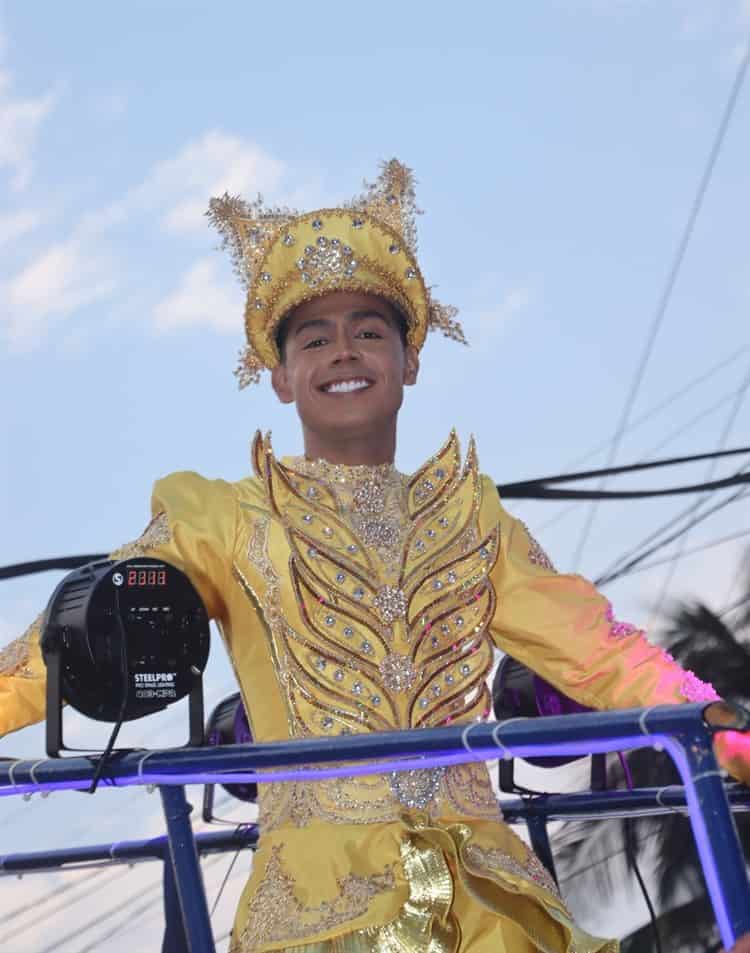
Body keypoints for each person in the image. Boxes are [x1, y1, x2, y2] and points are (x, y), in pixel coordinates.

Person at [1, 160, 748, 953]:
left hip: (492, 908)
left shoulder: (472, 518)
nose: (342, 350)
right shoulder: (222, 521)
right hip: (322, 913)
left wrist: (732, 738)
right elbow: (74, 637)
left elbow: (603, 654)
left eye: (368, 330)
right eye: (314, 337)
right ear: (283, 377)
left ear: (409, 359)